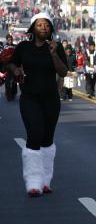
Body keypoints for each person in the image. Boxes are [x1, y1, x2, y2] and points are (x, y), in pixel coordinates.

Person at [7, 12, 68, 197]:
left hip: (50, 99)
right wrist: (16, 69)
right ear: (33, 28)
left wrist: (53, 54)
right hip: (29, 98)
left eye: (47, 25)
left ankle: (45, 180)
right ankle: (33, 183)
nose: (43, 28)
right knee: (34, 134)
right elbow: (11, 63)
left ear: (50, 28)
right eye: (40, 25)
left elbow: (63, 72)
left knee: (47, 138)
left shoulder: (55, 48)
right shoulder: (24, 47)